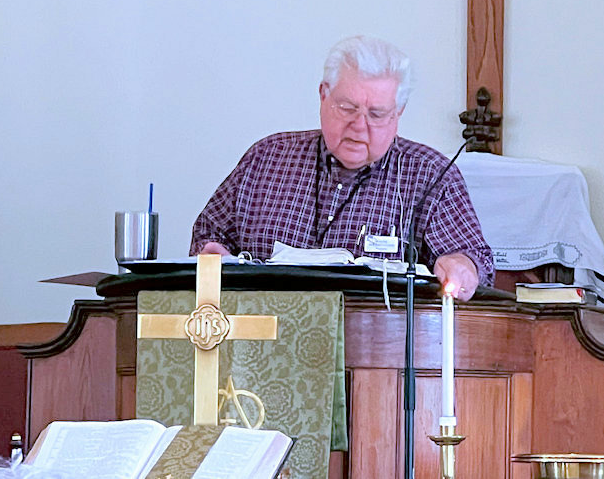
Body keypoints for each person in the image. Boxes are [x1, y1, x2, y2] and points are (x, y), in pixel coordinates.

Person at [190, 35, 493, 299]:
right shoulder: (266, 158)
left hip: (379, 343)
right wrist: (212, 252)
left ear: (398, 112)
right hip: (266, 338)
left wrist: (462, 268)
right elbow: (209, 233)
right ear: (323, 94)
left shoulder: (430, 175)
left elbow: (473, 260)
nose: (359, 125)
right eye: (347, 108)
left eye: (376, 114)